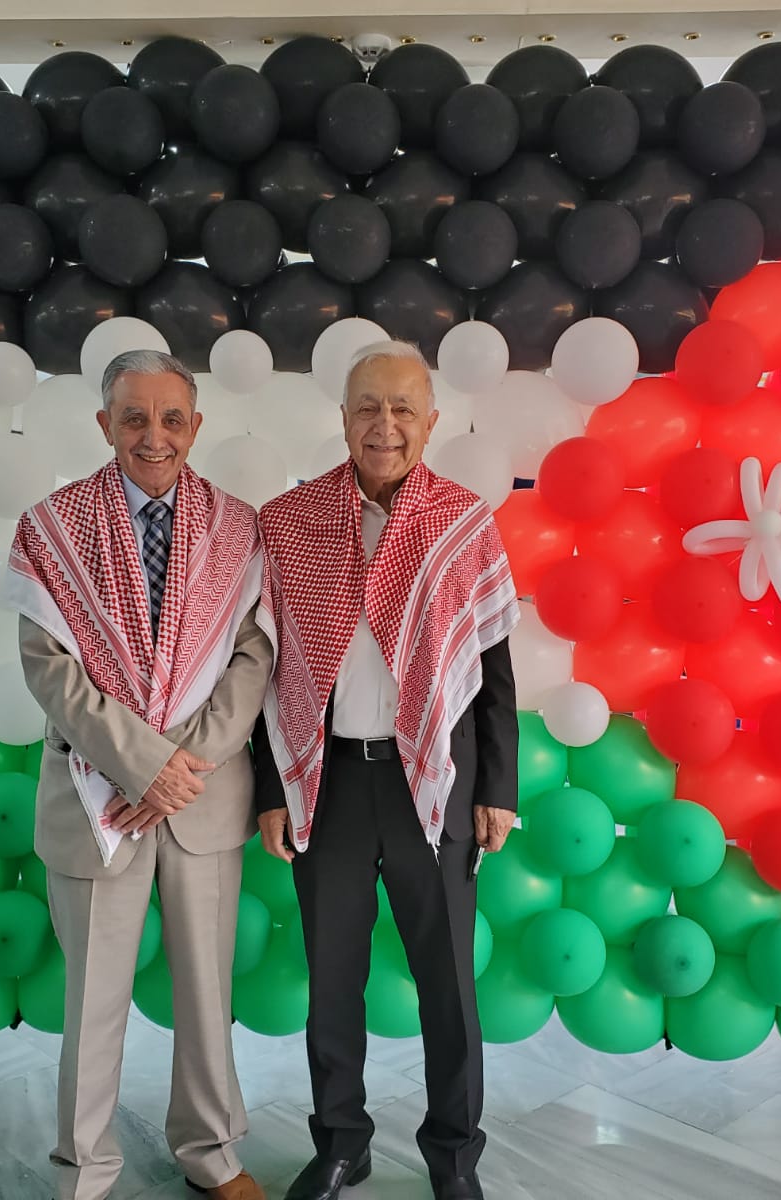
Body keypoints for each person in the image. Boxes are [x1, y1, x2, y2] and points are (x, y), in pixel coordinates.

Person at [252, 340, 520, 1200]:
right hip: (328, 782)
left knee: (448, 985)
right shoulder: (289, 523)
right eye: (368, 407)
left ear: (431, 422)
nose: (385, 425)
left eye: (404, 409)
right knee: (332, 979)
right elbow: (267, 670)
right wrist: (270, 790)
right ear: (342, 418)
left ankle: (454, 1156)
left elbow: (493, 668)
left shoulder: (463, 521)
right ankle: (342, 1143)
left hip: (433, 786)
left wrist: (497, 790)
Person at [6, 349, 272, 1200]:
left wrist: (181, 768)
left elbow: (254, 658)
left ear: (195, 426)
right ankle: (85, 1171)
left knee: (207, 995)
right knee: (92, 1004)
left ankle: (213, 1153)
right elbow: (48, 666)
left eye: (171, 418)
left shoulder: (238, 527)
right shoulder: (52, 527)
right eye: (134, 417)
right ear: (104, 424)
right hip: (96, 798)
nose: (153, 436)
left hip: (203, 795)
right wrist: (143, 766)